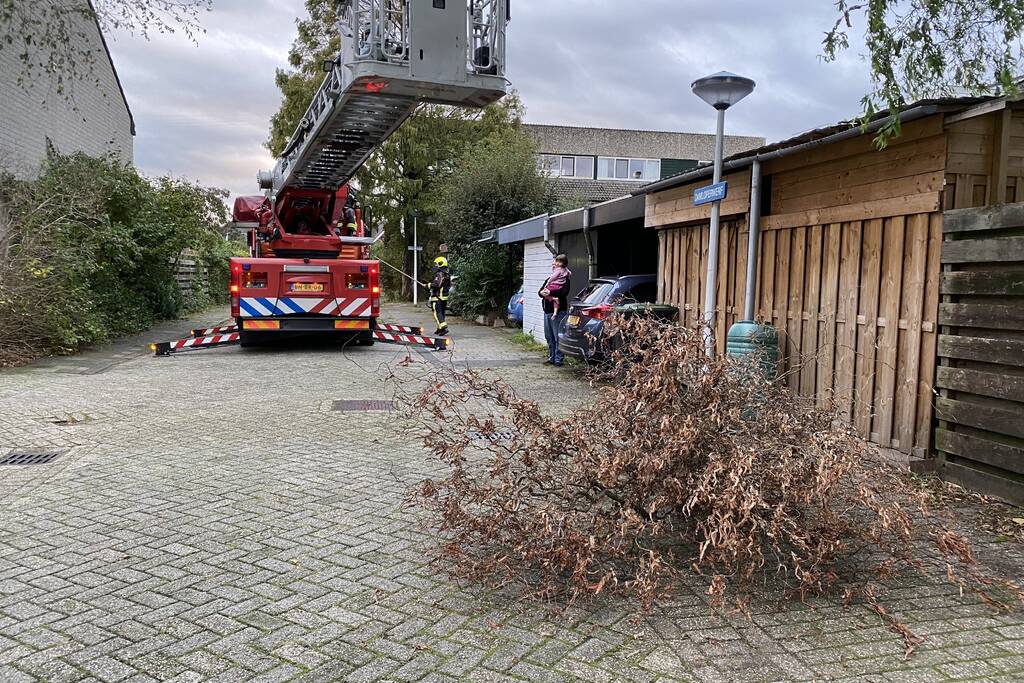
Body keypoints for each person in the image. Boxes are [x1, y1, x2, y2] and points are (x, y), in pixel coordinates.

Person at [539, 254, 571, 366]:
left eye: (556, 264)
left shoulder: (565, 279)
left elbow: (564, 292)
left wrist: (550, 292)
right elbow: (540, 292)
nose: (554, 266)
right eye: (554, 264)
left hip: (558, 313)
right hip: (547, 312)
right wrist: (544, 293)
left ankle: (558, 360)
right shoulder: (549, 279)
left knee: (558, 337)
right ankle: (551, 357)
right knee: (549, 337)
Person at [428, 256, 451, 336]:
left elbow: (436, 285)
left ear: (440, 264)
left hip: (437, 298)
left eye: (436, 264)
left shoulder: (439, 274)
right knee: (441, 313)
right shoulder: (447, 274)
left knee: (437, 313)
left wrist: (428, 285)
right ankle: (439, 328)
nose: (435, 266)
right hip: (444, 298)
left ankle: (444, 328)